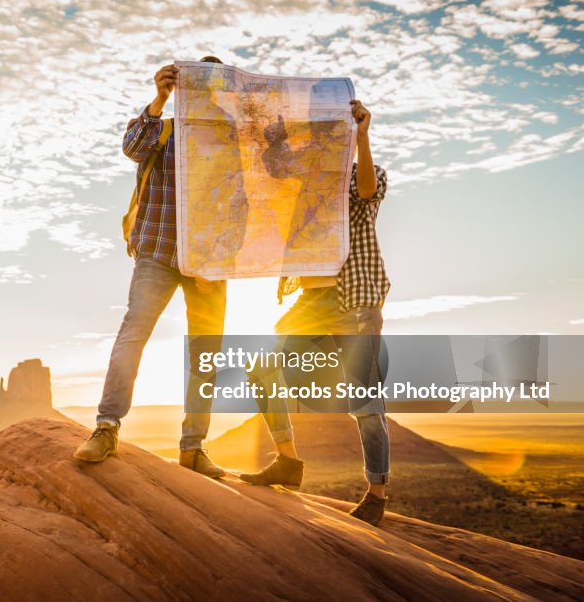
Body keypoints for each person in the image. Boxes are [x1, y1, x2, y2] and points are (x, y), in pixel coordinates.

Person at [73, 57, 229, 478]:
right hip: (158, 252)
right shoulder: (163, 127)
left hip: (208, 267)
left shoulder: (229, 143)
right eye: (198, 85)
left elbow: (243, 205)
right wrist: (159, 98)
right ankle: (107, 427)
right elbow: (132, 147)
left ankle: (193, 447)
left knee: (205, 355)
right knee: (134, 334)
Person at [241, 98, 392, 527]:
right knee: (262, 367)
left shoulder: (365, 173)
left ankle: (376, 492)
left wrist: (363, 135)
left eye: (334, 136)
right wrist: (272, 129)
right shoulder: (307, 178)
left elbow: (367, 190)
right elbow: (274, 165)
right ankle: (288, 462)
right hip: (310, 302)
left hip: (355, 299)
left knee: (364, 400)